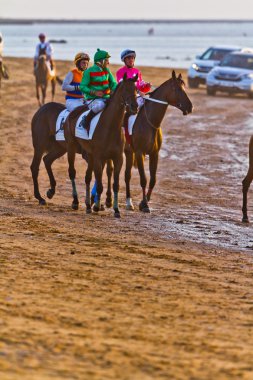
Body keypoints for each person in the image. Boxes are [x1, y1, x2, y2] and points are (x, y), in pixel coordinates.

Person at [79, 48, 117, 131]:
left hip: (106, 98)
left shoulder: (107, 71)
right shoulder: (88, 71)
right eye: (107, 60)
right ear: (101, 61)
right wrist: (94, 92)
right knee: (101, 105)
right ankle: (86, 120)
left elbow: (114, 83)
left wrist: (114, 91)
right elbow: (82, 87)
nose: (108, 62)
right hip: (93, 100)